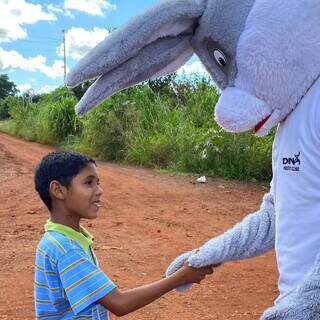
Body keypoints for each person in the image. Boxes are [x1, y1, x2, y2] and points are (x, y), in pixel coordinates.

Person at [34, 150, 213, 319]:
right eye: (89, 183)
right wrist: (182, 276)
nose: (99, 191)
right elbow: (119, 303)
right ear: (58, 190)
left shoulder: (60, 239)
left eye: (98, 182)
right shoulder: (66, 249)